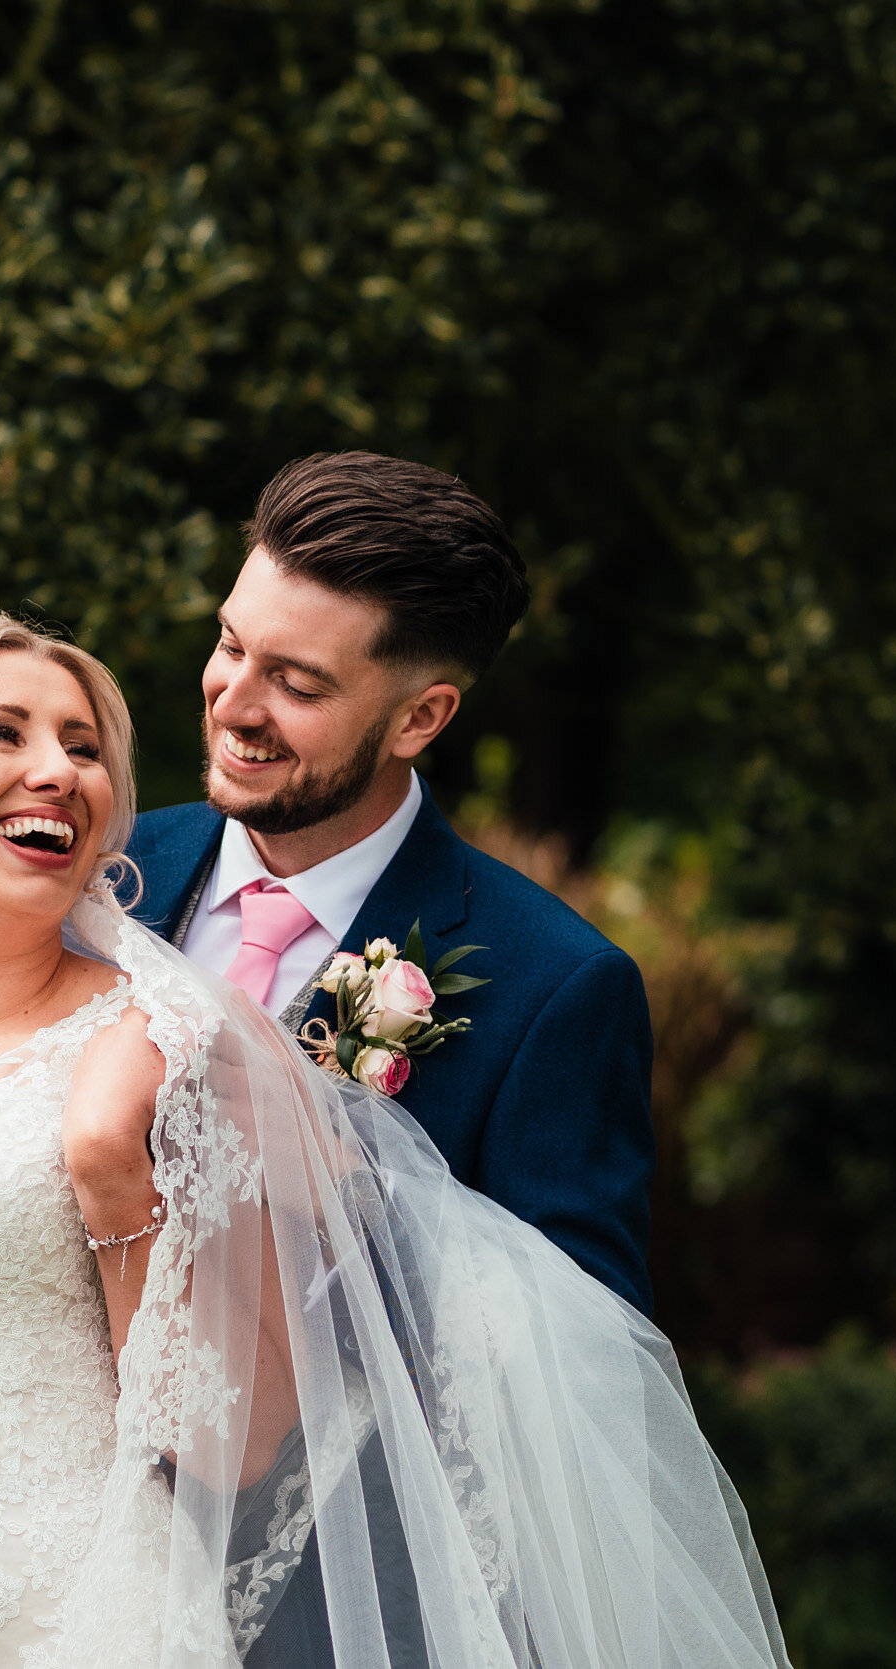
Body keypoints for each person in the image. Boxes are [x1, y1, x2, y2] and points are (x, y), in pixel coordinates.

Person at [0, 611, 787, 1668]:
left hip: (56, 1623)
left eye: (82, 744)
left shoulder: (176, 1041)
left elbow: (236, 1442)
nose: (57, 769)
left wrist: (114, 1164)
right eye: (3, 733)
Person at [126, 452, 657, 1315]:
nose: (233, 702)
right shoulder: (104, 876)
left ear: (421, 717)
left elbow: (595, 1353)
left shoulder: (557, 987)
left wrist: (356, 1185)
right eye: (230, 644)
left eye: (296, 683)